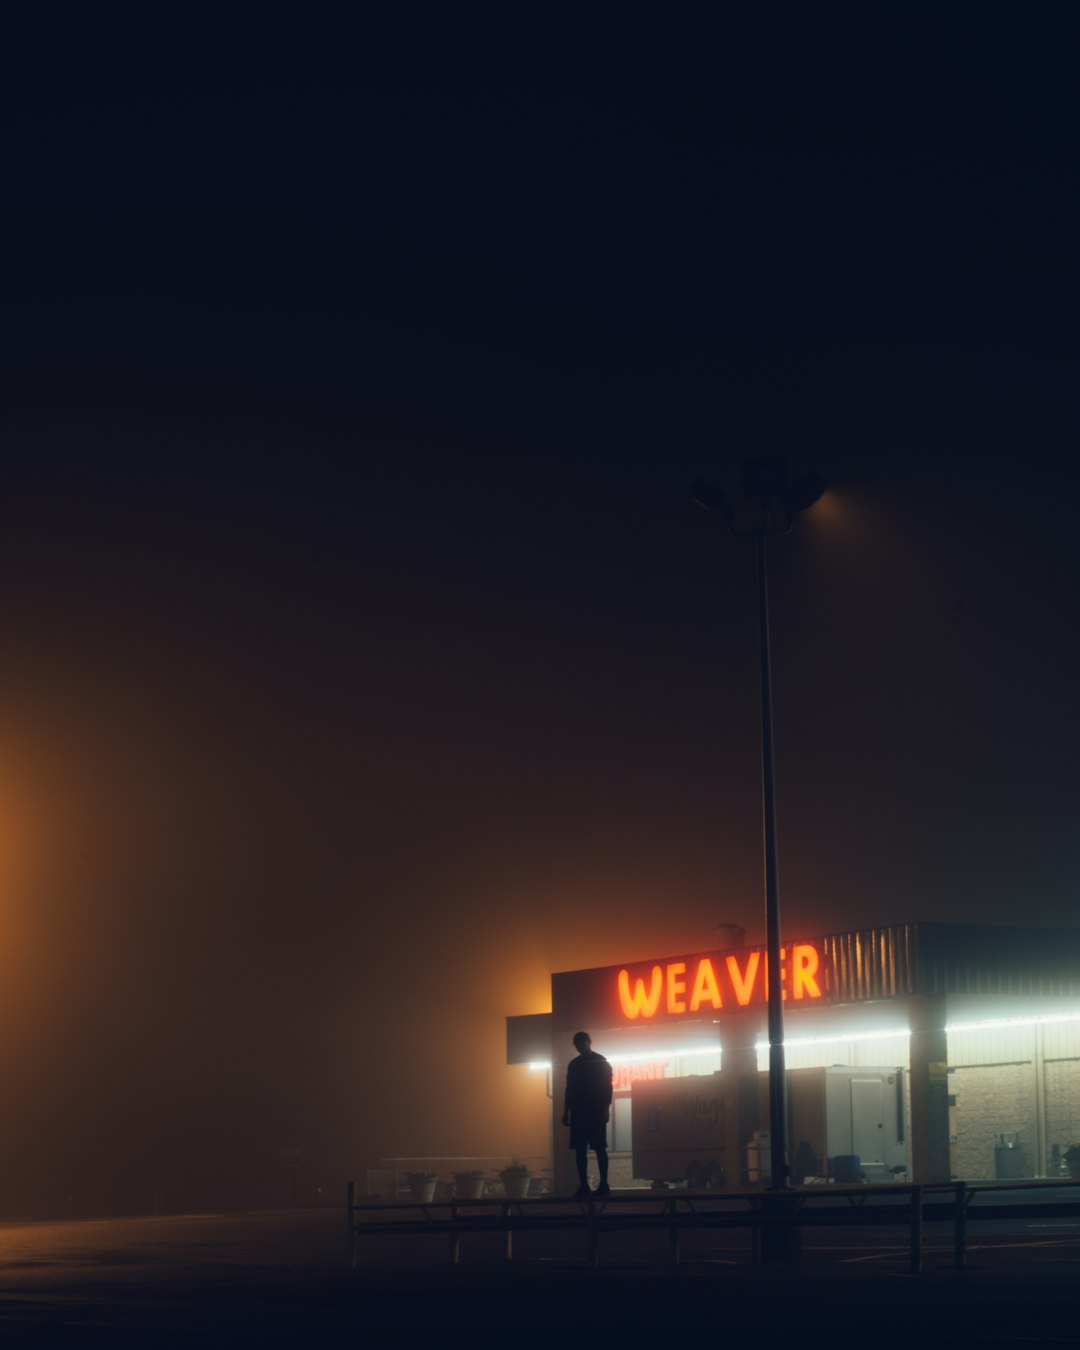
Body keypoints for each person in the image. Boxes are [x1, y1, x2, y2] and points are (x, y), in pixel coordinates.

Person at [561, 1030, 613, 1199]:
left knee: (596, 1148)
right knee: (584, 1149)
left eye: (580, 1043)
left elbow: (607, 1088)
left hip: (591, 1111)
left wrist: (605, 1108)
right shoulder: (586, 1063)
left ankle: (600, 1184)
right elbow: (569, 1090)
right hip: (584, 1112)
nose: (579, 1047)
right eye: (577, 1045)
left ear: (588, 1042)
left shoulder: (593, 1063)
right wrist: (566, 1111)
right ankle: (587, 1185)